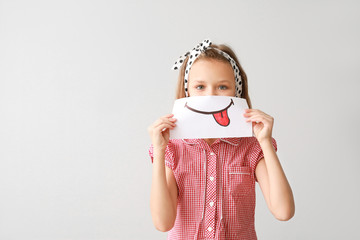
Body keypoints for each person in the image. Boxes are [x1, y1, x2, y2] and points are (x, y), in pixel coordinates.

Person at [147, 39, 295, 240]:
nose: (211, 96)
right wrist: (159, 150)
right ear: (187, 91)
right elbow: (163, 223)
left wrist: (265, 142)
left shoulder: (250, 148)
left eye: (222, 87)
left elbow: (283, 211)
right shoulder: (173, 148)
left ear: (237, 91)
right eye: (200, 86)